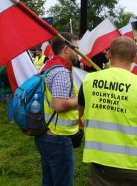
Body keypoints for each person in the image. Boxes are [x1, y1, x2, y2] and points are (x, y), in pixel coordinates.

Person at [78, 37, 137, 186]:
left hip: (101, 163)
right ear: (135, 57)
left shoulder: (88, 81)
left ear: (108, 54)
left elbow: (79, 117)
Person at [35, 32, 80, 186]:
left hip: (47, 134)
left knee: (48, 181)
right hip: (58, 138)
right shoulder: (61, 72)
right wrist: (81, 99)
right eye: (77, 49)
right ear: (66, 49)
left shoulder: (49, 66)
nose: (79, 53)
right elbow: (59, 105)